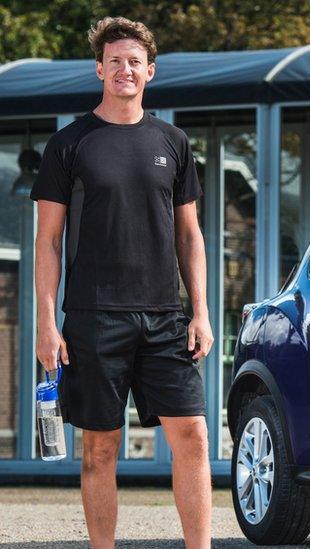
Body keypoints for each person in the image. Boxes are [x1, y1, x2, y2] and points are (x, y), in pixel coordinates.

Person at [30, 16, 214, 549]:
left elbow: (190, 236)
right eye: (115, 62)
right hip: (93, 317)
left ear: (149, 72)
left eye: (134, 62)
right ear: (99, 70)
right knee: (100, 449)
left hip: (164, 317)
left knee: (194, 438)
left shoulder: (173, 142)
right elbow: (47, 242)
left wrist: (199, 310)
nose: (124, 70)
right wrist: (47, 322)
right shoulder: (69, 145)